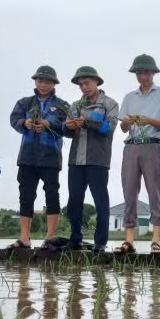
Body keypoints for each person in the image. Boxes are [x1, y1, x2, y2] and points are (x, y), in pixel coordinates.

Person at [115, 54, 160, 256]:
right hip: (131, 146)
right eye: (139, 72)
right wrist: (130, 121)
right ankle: (129, 240)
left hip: (153, 146)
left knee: (155, 192)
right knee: (129, 191)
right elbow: (123, 128)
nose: (143, 76)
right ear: (136, 74)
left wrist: (149, 120)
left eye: (146, 72)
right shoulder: (128, 97)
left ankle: (156, 240)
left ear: (153, 73)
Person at [8, 65, 70, 248]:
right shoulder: (24, 103)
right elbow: (14, 120)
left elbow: (68, 129)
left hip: (51, 155)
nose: (43, 84)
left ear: (54, 84)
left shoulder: (62, 105)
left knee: (52, 194)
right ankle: (25, 238)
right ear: (35, 82)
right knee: (25, 196)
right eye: (40, 80)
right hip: (28, 155)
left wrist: (48, 124)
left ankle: (50, 236)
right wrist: (25, 122)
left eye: (48, 81)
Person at [64, 66, 119, 251]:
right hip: (76, 161)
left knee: (100, 201)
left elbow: (109, 128)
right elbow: (68, 133)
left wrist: (87, 122)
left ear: (97, 81)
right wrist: (69, 126)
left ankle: (100, 243)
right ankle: (75, 239)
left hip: (98, 161)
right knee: (74, 202)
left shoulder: (110, 104)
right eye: (80, 85)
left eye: (87, 83)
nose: (84, 87)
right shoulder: (75, 106)